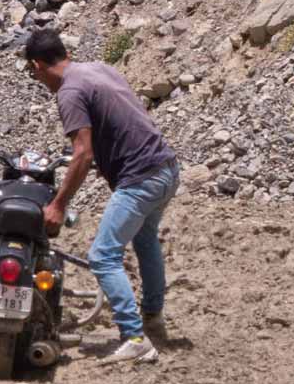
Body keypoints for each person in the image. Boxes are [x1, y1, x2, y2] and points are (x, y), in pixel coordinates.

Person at [24, 29, 180, 364]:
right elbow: (122, 118)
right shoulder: (98, 69)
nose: (38, 80)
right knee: (145, 240)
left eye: (34, 74)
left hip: (140, 178)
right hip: (166, 168)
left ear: (38, 65)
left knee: (102, 255)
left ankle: (134, 337)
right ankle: (152, 320)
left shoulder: (69, 91)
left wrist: (58, 204)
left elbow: (82, 153)